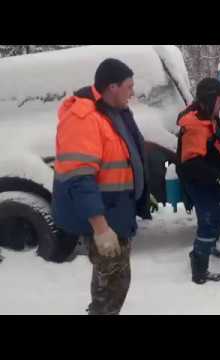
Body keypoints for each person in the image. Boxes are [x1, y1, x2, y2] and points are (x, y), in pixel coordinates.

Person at [52, 58, 152, 315]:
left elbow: (125, 157)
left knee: (109, 282)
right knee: (113, 285)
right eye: (129, 86)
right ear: (112, 87)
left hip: (116, 209)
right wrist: (101, 228)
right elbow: (79, 176)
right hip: (105, 217)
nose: (132, 92)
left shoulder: (111, 110)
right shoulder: (83, 118)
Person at [176, 78, 220, 285]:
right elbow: (191, 163)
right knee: (209, 221)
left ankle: (209, 243)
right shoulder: (195, 125)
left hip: (211, 176)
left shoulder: (210, 117)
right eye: (219, 100)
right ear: (208, 100)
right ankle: (199, 269)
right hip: (198, 180)